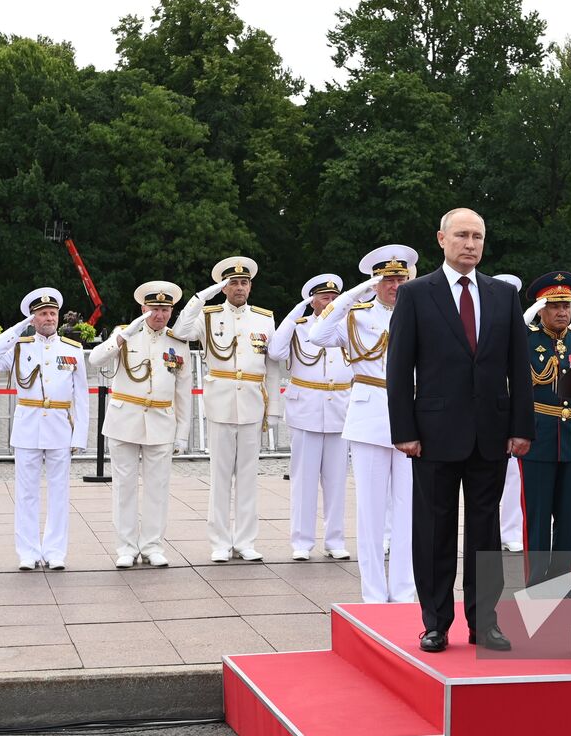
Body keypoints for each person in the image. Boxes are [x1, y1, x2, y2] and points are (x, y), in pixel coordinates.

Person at [386, 209, 533, 654]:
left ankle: (483, 623)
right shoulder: (415, 294)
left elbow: (518, 369)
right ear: (442, 239)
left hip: (491, 433)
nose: (470, 244)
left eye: (478, 237)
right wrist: (404, 430)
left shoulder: (504, 296)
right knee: (434, 530)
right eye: (462, 236)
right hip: (432, 434)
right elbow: (399, 368)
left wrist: (521, 426)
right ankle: (435, 622)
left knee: (486, 535)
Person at [309, 246, 418, 602]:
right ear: (375, 282)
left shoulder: (418, 313)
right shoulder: (355, 316)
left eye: (400, 278)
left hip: (412, 415)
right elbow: (318, 336)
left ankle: (404, 589)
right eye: (387, 279)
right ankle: (373, 592)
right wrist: (353, 294)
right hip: (370, 413)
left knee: (408, 509)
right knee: (370, 511)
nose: (394, 285)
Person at [173, 257, 283, 562]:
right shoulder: (208, 316)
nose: (239, 288)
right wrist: (202, 296)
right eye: (233, 283)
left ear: (250, 286)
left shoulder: (264, 319)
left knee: (248, 478)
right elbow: (181, 330)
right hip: (220, 403)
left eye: (243, 282)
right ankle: (220, 542)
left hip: (251, 403)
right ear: (224, 287)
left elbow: (271, 367)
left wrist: (273, 409)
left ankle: (245, 541)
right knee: (220, 478)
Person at [0, 288, 89, 570]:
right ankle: (27, 552)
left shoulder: (72, 349)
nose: (49, 318)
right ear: (33, 318)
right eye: (42, 314)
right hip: (28, 426)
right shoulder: (20, 346)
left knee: (58, 492)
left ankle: (55, 552)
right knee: (26, 493)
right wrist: (17, 330)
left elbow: (82, 398)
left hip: (60, 427)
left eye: (52, 313)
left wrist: (80, 435)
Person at [89, 281, 194, 568]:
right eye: (154, 309)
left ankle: (152, 545)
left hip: (161, 420)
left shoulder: (178, 342)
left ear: (171, 311)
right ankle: (125, 547)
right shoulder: (125, 334)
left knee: (157, 488)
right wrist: (122, 337)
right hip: (125, 419)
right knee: (124, 487)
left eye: (165, 309)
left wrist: (182, 434)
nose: (159, 315)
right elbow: (96, 360)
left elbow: (183, 394)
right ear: (143, 308)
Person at [268, 273, 352, 561]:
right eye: (323, 298)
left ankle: (335, 540)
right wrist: (294, 314)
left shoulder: (347, 327)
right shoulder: (300, 328)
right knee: (303, 480)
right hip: (306, 409)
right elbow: (276, 351)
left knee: (337, 480)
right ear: (312, 301)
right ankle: (302, 542)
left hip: (340, 408)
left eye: (333, 298)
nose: (329, 302)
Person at [521, 271, 571, 584]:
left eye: (566, 305)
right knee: (538, 520)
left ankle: (563, 584)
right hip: (538, 438)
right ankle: (537, 585)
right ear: (541, 310)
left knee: (569, 520)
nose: (562, 311)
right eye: (554, 305)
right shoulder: (526, 342)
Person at [493, 274, 527, 552]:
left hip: (508, 409)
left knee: (514, 478)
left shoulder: (517, 325)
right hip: (486, 411)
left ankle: (511, 530)